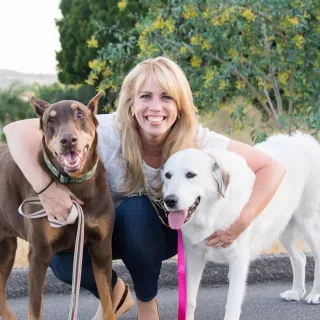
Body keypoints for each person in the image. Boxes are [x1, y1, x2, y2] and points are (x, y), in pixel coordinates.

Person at [4, 56, 286, 319]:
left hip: (162, 234)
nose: (155, 107)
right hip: (106, 232)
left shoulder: (197, 140)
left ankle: (146, 302)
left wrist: (241, 223)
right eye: (145, 97)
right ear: (130, 103)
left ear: (180, 106)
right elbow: (15, 130)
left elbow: (273, 168)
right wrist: (46, 188)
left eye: (166, 97)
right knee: (63, 263)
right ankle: (116, 294)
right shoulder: (107, 129)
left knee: (138, 212)